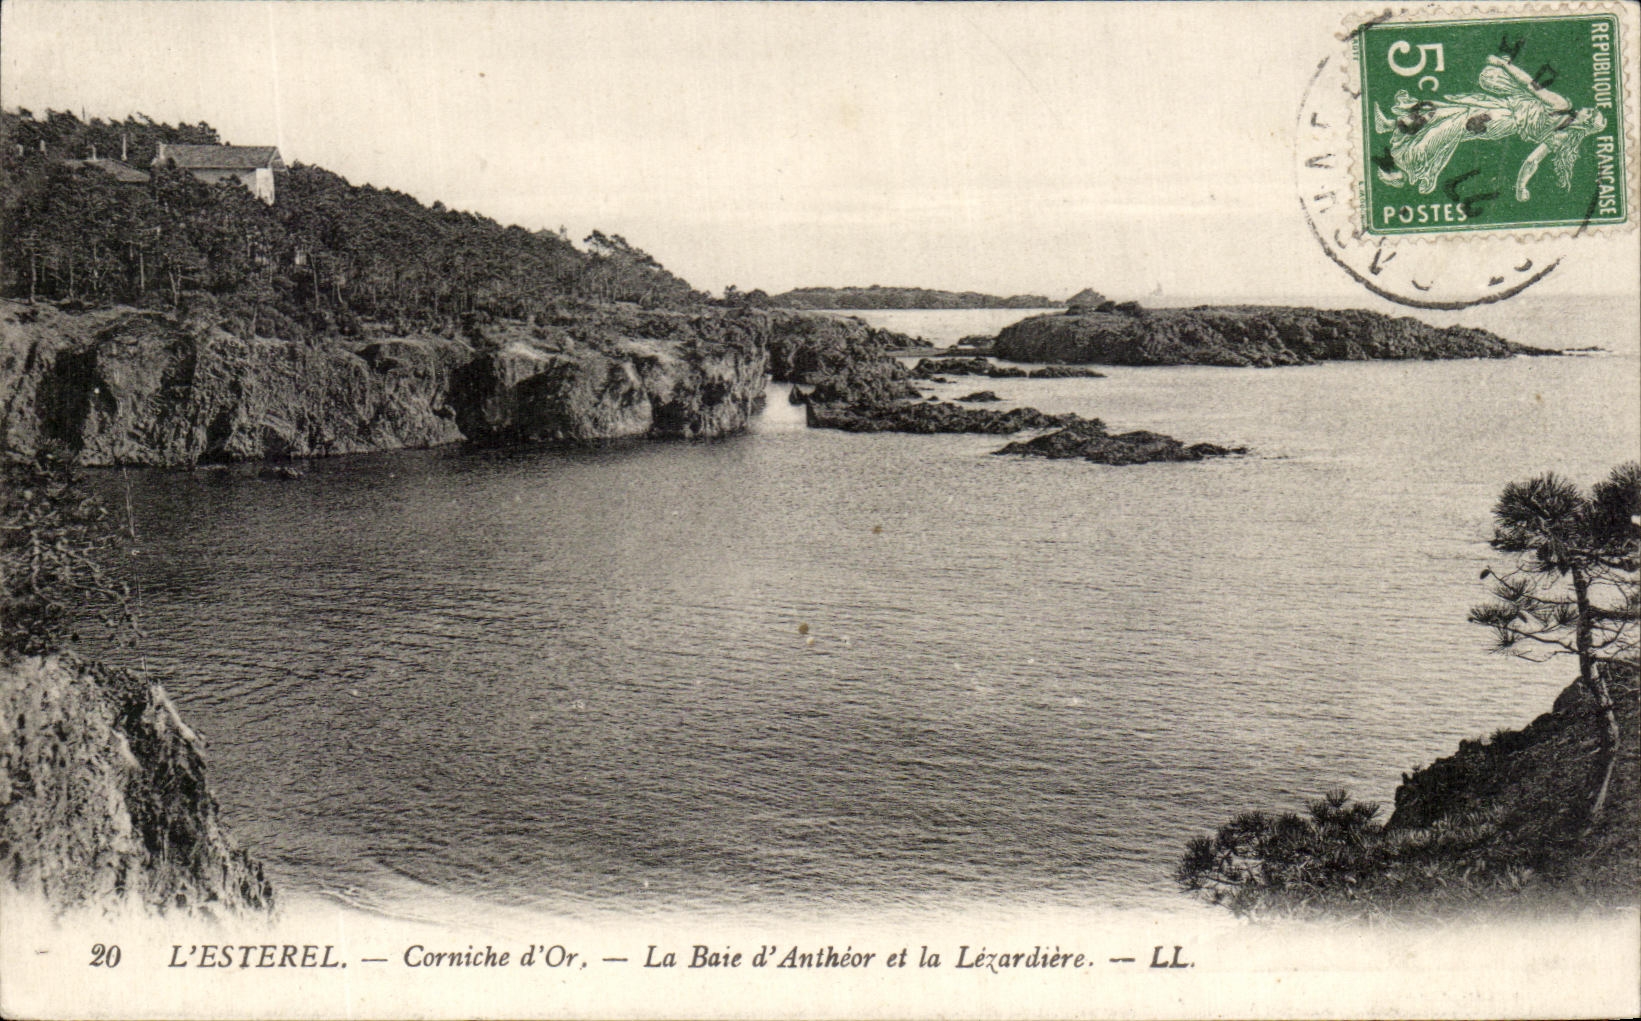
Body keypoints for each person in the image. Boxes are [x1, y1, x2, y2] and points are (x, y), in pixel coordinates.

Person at [1374, 53, 1607, 202]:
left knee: (1447, 127)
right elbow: (1532, 161)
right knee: (1446, 112)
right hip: (1500, 113)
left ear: (1587, 121)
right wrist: (1520, 188)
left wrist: (1505, 64)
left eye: (1592, 113)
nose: (1589, 108)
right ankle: (1392, 125)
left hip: (1498, 117)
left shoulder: (1562, 106)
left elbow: (1531, 84)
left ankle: (1401, 167)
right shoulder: (1562, 137)